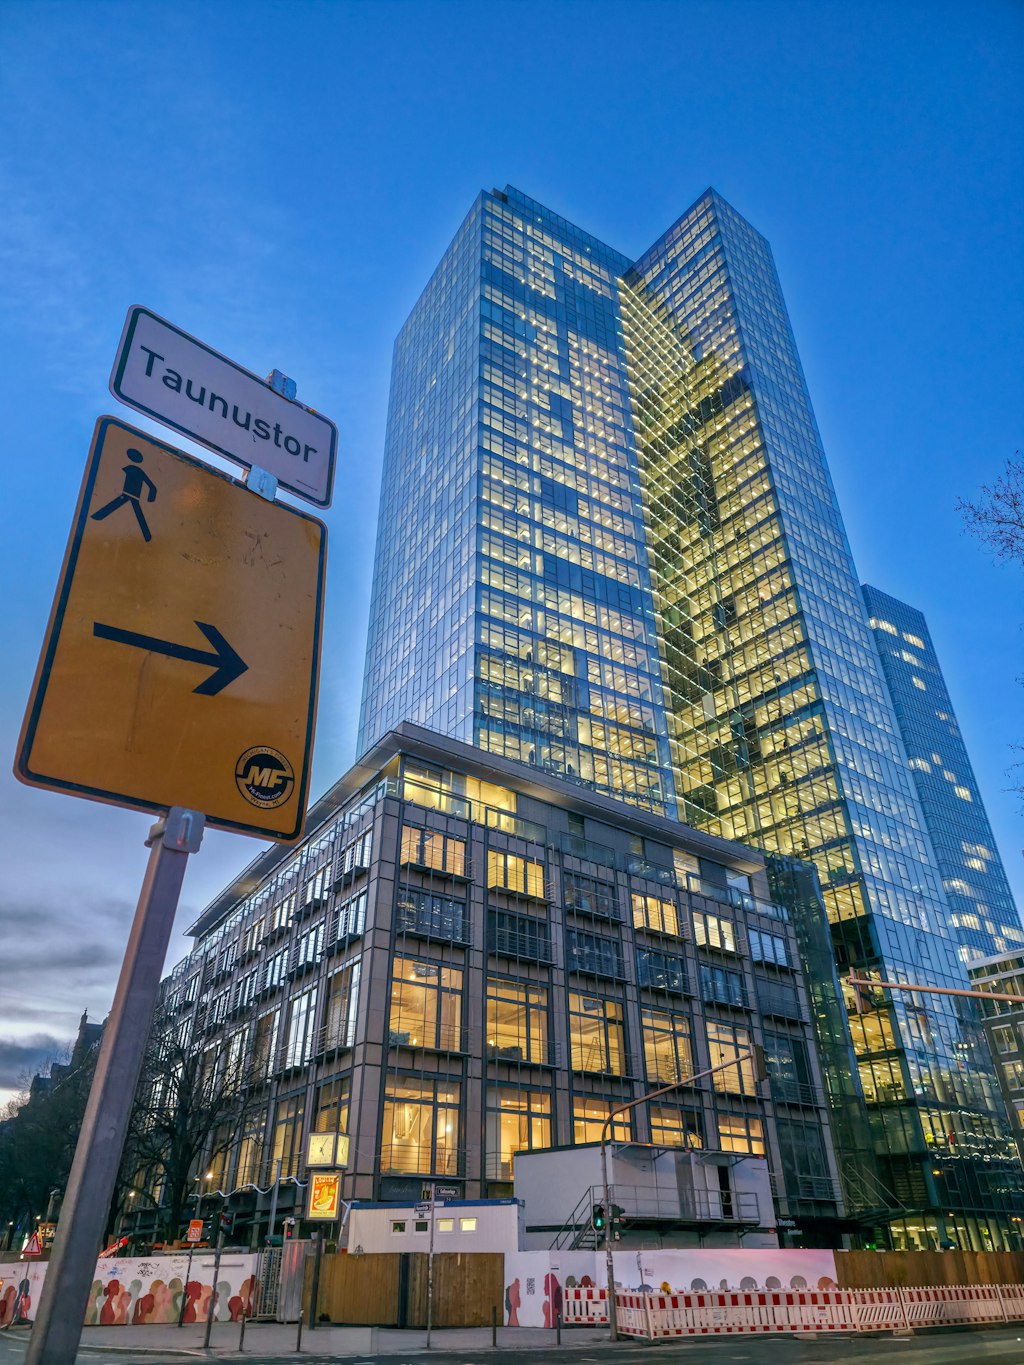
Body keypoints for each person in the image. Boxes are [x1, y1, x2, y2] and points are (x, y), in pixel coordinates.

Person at [91, 448, 157, 542]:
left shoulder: (137, 471)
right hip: (127, 494)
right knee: (128, 508)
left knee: (137, 512)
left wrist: (150, 498)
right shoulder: (131, 468)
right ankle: (98, 516)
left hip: (132, 496)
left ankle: (147, 536)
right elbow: (152, 486)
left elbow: (152, 486)